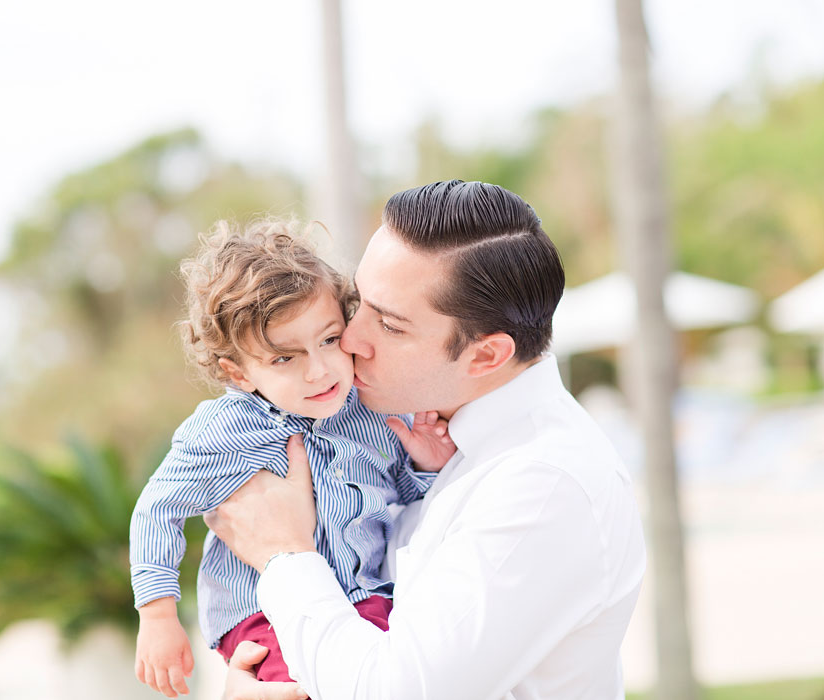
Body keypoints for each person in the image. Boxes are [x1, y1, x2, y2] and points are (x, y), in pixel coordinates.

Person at [206, 180, 647, 700]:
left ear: (486, 355)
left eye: (389, 325)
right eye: (358, 303)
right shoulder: (425, 442)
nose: (349, 339)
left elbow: (395, 689)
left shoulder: (546, 483)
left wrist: (282, 554)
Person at [128, 218, 456, 698]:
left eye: (328, 340)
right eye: (285, 358)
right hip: (264, 616)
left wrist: (426, 466)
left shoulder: (372, 412)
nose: (319, 370)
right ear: (237, 372)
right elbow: (158, 509)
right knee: (303, 686)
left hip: (365, 600)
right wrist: (157, 615)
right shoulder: (223, 430)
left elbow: (398, 500)